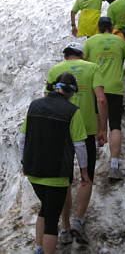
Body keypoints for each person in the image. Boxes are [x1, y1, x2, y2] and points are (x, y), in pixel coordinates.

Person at [19, 72, 89, 254]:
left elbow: (22, 138)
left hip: (33, 171)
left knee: (46, 209)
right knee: (51, 219)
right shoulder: (73, 112)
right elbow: (80, 146)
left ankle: (38, 248)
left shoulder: (34, 106)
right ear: (71, 92)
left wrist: (24, 162)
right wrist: (84, 171)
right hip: (57, 174)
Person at [45, 43, 107, 246]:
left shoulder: (55, 70)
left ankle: (64, 228)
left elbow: (48, 100)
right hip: (86, 131)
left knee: (64, 179)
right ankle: (78, 219)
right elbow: (100, 99)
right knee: (86, 176)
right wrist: (102, 128)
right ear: (81, 54)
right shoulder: (92, 67)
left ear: (65, 56)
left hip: (60, 131)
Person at [83, 17, 125, 180]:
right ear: (112, 27)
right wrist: (123, 73)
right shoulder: (120, 41)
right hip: (115, 88)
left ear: (98, 28)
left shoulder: (90, 42)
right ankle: (114, 166)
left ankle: (94, 151)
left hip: (96, 87)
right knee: (115, 125)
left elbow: (83, 63)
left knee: (96, 118)